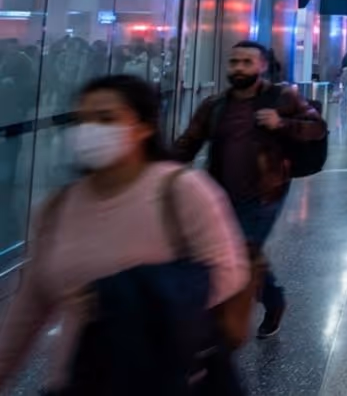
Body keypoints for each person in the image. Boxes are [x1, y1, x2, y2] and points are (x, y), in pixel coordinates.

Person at [0, 76, 250, 394]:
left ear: (144, 127)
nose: (89, 131)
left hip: (162, 372)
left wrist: (120, 295)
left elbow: (230, 270)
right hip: (80, 378)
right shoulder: (57, 207)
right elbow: (31, 302)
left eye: (106, 119)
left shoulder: (181, 190)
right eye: (82, 120)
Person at [173, 40, 326, 339]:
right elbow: (188, 142)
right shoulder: (214, 106)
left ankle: (223, 321)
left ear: (262, 65)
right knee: (237, 253)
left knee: (241, 252)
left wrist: (282, 123)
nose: (239, 68)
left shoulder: (282, 97)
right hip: (218, 195)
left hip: (264, 193)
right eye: (234, 62)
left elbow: (317, 126)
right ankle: (272, 298)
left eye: (246, 62)